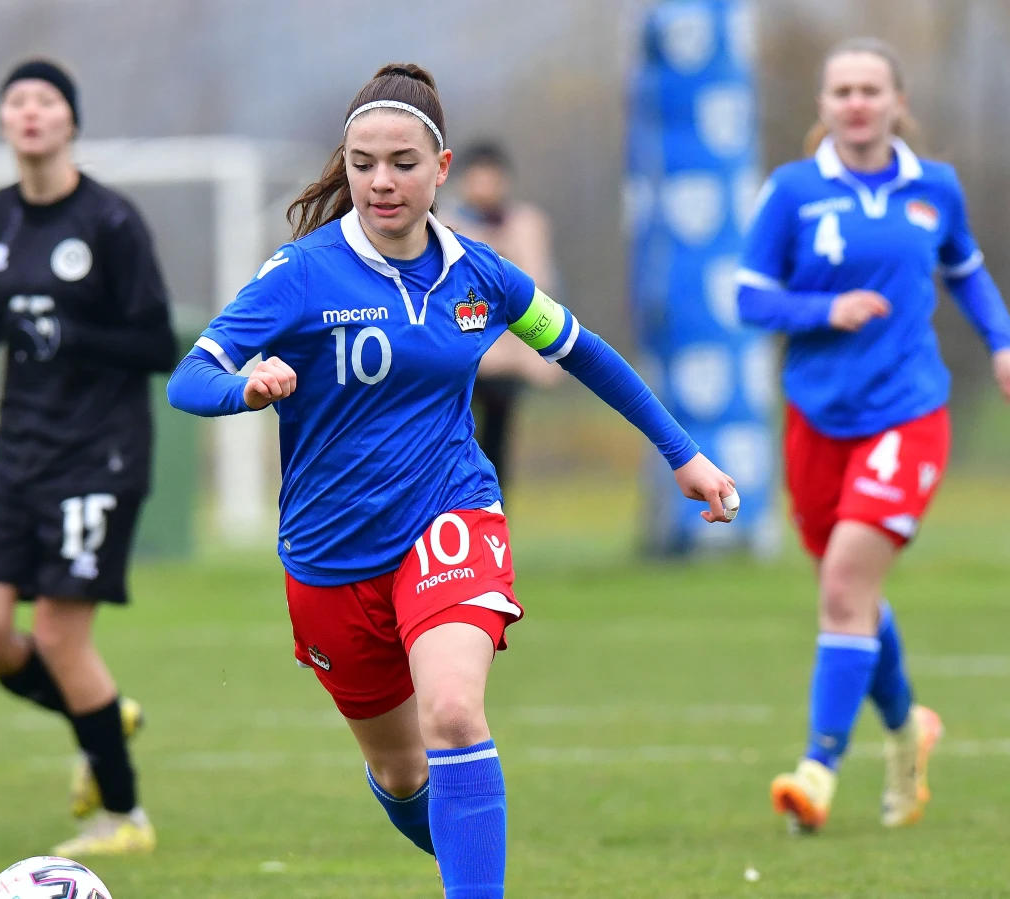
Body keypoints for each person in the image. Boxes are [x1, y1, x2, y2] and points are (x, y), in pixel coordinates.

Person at [168, 63, 738, 898]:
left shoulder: (481, 273)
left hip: (450, 515)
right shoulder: (299, 274)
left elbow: (579, 349)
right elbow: (190, 378)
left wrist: (680, 450)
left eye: (402, 162)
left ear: (441, 169)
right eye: (362, 162)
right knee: (403, 776)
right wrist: (243, 389)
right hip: (329, 558)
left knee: (455, 714)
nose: (380, 181)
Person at [736, 37, 1010, 835]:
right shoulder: (794, 191)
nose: (858, 102)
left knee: (842, 588)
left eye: (872, 88)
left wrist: (1003, 343)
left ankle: (817, 770)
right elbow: (749, 298)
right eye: (843, 90)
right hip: (815, 418)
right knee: (852, 593)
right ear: (825, 105)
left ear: (899, 101)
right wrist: (822, 311)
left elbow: (964, 268)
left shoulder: (933, 187)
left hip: (908, 413)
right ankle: (908, 730)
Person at [0, 58, 178, 857]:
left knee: (62, 637)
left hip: (97, 455)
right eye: (17, 101)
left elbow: (155, 342)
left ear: (71, 121)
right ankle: (100, 713)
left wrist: (72, 336)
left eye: (47, 101)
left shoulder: (110, 222)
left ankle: (126, 818)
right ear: (3, 122)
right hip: (19, 454)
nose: (31, 113)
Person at [443, 142, 563, 493]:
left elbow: (540, 283)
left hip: (506, 357)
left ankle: (492, 516)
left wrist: (545, 357)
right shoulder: (444, 223)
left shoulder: (527, 223)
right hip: (458, 353)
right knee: (453, 442)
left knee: (496, 445)